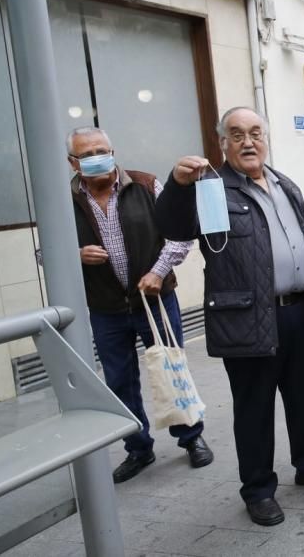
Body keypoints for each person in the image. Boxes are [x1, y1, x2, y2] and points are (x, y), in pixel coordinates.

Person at [155, 107, 304, 527]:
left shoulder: (285, 184)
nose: (248, 141)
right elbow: (173, 227)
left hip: (297, 310)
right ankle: (258, 489)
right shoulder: (211, 191)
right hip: (246, 319)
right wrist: (177, 185)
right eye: (237, 134)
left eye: (256, 132)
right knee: (254, 408)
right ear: (222, 143)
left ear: (266, 137)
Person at [65, 126, 211, 484]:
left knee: (171, 370)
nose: (96, 157)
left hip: (154, 300)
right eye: (86, 154)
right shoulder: (62, 200)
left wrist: (158, 272)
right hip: (105, 308)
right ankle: (138, 448)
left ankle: (191, 438)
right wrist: (75, 255)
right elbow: (43, 252)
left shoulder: (146, 185)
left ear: (113, 151)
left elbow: (179, 235)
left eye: (102, 150)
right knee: (118, 381)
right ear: (72, 162)